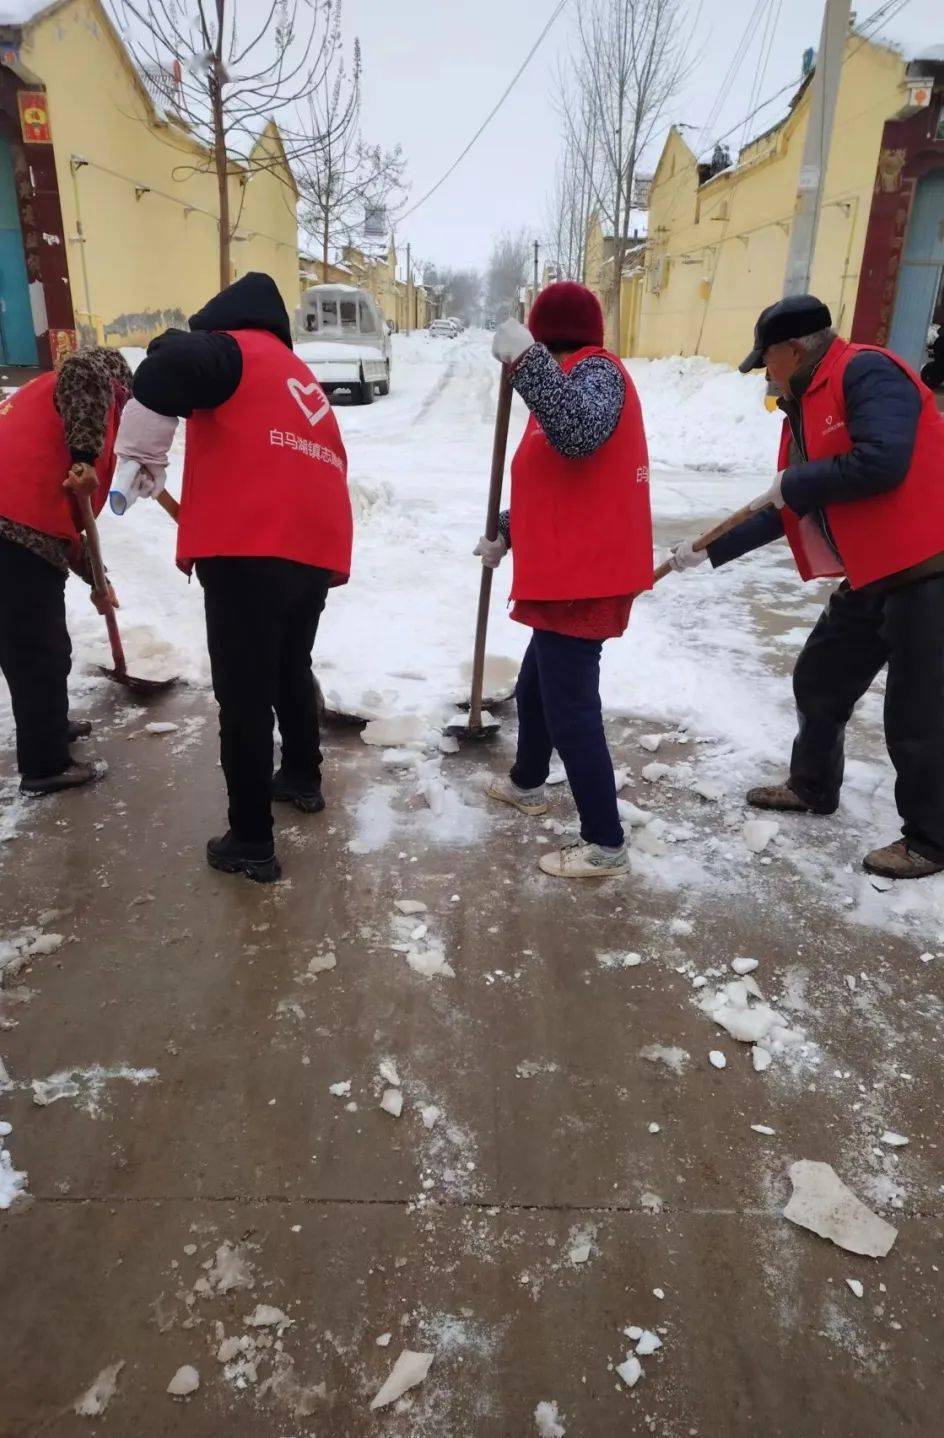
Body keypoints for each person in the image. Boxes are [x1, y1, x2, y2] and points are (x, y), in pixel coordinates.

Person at [669, 294, 944, 879]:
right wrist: (706, 549)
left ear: (792, 350)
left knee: (919, 715)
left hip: (928, 568)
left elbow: (884, 462)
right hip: (872, 571)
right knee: (820, 677)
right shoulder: (804, 406)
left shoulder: (866, 371)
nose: (763, 372)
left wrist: (797, 480)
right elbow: (790, 504)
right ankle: (812, 785)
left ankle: (931, 840)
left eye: (765, 359)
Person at [120, 272, 353, 883]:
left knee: (244, 695)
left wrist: (171, 347)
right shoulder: (298, 377)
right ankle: (301, 776)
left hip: (250, 546)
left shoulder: (233, 350)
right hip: (313, 548)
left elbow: (159, 377)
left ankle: (250, 839)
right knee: (288, 668)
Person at [478, 282, 653, 878]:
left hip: (586, 576)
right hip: (565, 573)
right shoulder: (569, 382)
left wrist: (527, 362)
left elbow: (578, 435)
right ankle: (528, 784)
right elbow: (559, 485)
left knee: (571, 707)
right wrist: (506, 530)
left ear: (549, 338)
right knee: (535, 690)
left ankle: (604, 843)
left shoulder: (597, 373)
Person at [0, 346, 129, 795]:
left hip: (20, 525)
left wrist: (98, 582)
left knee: (36, 646)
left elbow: (75, 524)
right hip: (11, 526)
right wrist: (87, 458)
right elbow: (82, 365)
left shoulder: (47, 404)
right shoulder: (91, 385)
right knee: (37, 653)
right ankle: (44, 764)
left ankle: (49, 728)